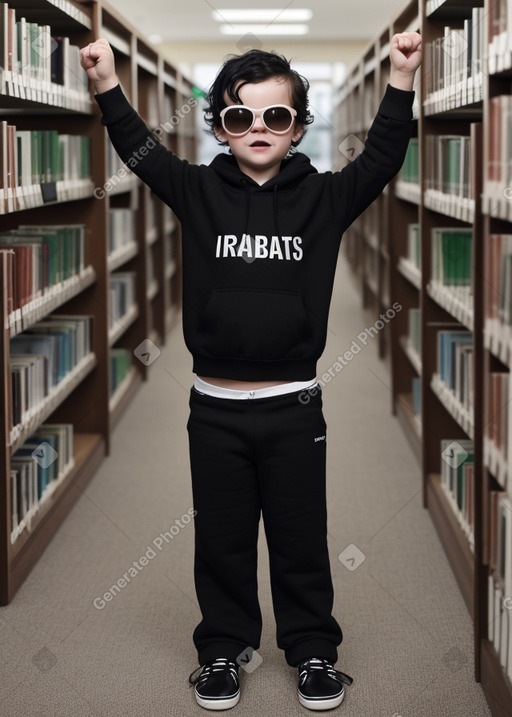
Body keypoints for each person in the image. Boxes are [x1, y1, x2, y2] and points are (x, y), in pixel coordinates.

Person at [80, 31, 422, 712]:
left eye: (276, 115)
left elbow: (383, 156)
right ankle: (222, 651)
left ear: (298, 126)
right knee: (222, 536)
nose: (258, 128)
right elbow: (140, 150)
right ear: (220, 126)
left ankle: (314, 647)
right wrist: (106, 84)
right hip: (213, 409)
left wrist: (403, 76)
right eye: (240, 115)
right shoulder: (196, 190)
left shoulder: (325, 198)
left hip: (295, 406)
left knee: (300, 534)